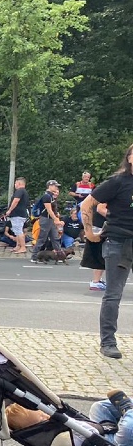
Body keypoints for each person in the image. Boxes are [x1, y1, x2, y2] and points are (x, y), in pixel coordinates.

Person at [82, 142, 133, 359]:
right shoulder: (118, 182)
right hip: (119, 242)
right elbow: (87, 204)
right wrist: (89, 232)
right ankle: (108, 342)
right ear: (129, 158)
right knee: (113, 294)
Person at [31, 180, 63, 260]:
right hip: (46, 219)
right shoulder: (47, 196)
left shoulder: (51, 196)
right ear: (50, 186)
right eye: (55, 186)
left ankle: (60, 256)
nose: (56, 188)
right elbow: (49, 210)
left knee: (55, 238)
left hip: (50, 220)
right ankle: (34, 256)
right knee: (42, 238)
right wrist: (56, 219)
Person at [3, 177, 30, 254]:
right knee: (17, 231)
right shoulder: (24, 192)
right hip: (21, 214)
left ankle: (23, 247)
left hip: (17, 214)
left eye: (15, 183)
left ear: (19, 183)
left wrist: (9, 210)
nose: (14, 185)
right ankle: (18, 246)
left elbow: (15, 201)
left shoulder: (19, 191)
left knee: (18, 231)